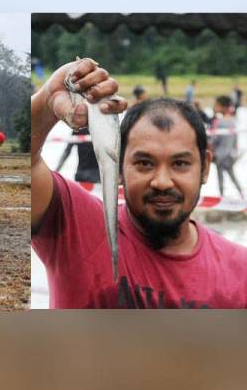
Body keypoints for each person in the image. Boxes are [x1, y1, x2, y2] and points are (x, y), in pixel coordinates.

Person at [31, 57, 247, 309]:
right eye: (144, 163)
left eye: (180, 164)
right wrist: (47, 99)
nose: (162, 181)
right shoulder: (73, 225)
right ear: (120, 166)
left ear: (205, 167)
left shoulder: (239, 272)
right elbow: (24, 164)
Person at [211, 96, 244, 199]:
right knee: (232, 176)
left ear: (222, 107)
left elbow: (214, 140)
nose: (214, 107)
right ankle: (242, 195)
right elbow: (235, 139)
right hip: (230, 155)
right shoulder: (233, 121)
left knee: (220, 178)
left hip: (220, 155)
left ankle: (222, 198)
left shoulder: (219, 122)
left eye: (216, 105)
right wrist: (235, 151)